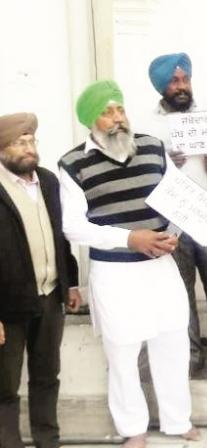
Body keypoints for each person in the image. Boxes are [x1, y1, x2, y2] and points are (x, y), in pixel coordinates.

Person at [59, 80, 199, 448]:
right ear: (91, 120)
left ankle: (177, 420)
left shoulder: (153, 148)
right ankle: (133, 429)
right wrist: (129, 239)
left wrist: (172, 234)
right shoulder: (73, 164)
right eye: (107, 112)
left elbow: (180, 200)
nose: (117, 118)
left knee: (172, 341)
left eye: (119, 109)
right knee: (122, 351)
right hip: (114, 271)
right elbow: (73, 226)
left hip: (160, 264)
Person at [143, 52, 207, 375]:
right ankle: (190, 351)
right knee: (180, 286)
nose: (181, 86)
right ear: (162, 87)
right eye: (174, 81)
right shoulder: (147, 126)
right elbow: (142, 171)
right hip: (172, 222)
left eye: (185, 79)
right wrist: (163, 165)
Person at [0, 112, 81, 448]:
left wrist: (71, 282)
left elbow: (61, 237)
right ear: (2, 149)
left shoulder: (47, 180)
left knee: (47, 376)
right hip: (8, 306)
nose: (29, 148)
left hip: (50, 297)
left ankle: (48, 440)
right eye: (20, 142)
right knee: (4, 385)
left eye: (32, 140)